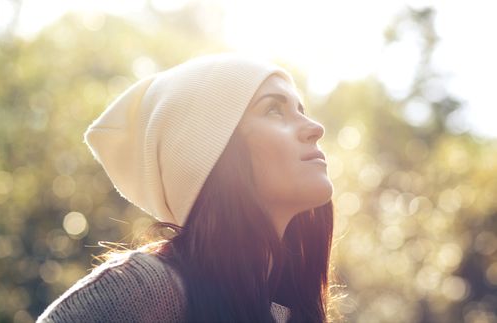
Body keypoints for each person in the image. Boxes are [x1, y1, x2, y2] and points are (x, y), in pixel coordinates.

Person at [37, 53, 335, 323]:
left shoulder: (288, 313)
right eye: (273, 110)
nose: (315, 128)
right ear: (213, 153)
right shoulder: (145, 288)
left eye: (301, 109)